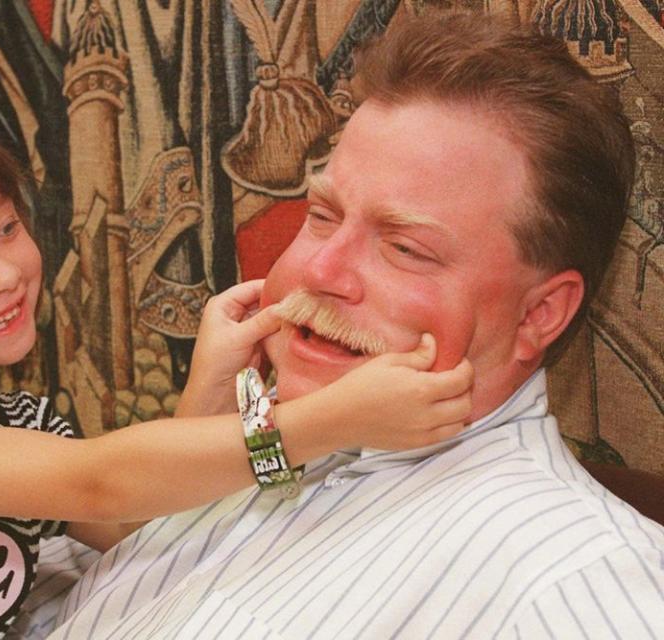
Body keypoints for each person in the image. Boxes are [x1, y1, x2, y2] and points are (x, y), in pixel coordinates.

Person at [0, 89, 475, 639]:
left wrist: (210, 382)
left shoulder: (15, 423)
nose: (4, 273)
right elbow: (98, 479)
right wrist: (331, 422)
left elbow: (125, 522)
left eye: (7, 227)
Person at [36, 13, 664, 639]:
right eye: (321, 214)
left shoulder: (573, 580)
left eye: (406, 248)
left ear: (539, 315)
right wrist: (212, 420)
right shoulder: (259, 444)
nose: (319, 269)